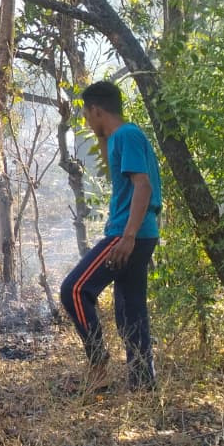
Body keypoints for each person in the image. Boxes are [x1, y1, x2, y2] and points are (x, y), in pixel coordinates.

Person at [59, 81, 162, 393]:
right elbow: (119, 176)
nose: (87, 122)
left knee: (75, 289)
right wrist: (102, 134)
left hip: (127, 235)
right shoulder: (119, 137)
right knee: (130, 311)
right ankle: (143, 385)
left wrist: (127, 237)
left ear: (96, 110)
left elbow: (143, 186)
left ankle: (98, 363)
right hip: (139, 234)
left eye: (87, 115)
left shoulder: (127, 135)